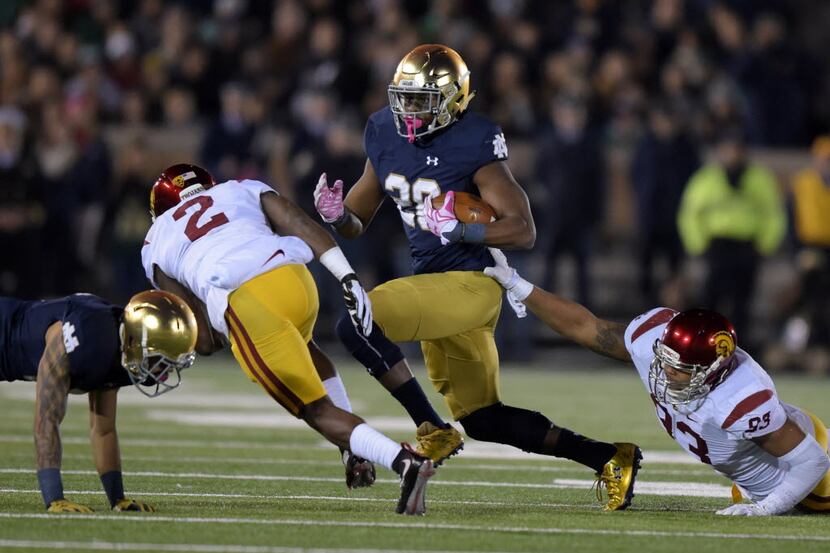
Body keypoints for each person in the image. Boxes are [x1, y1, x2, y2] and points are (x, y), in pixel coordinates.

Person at [314, 44, 641, 511]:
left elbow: (524, 229)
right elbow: (358, 217)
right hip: (432, 285)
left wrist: (464, 228)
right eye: (404, 98)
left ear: (453, 100)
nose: (409, 110)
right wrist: (336, 216)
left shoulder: (475, 141)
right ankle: (609, 457)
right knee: (485, 419)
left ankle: (431, 428)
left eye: (423, 100)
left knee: (356, 320)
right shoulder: (383, 132)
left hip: (473, 282)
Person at [140, 163, 435, 515]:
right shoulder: (239, 187)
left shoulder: (157, 237)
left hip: (247, 297)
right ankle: (352, 449)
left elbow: (202, 338)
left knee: (316, 411)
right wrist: (347, 276)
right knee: (307, 348)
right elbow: (297, 221)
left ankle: (403, 462)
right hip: (296, 279)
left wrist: (201, 336)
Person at [485, 249, 830, 515]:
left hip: (811, 479)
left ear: (713, 370)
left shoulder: (742, 397)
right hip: (755, 476)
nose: (664, 372)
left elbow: (812, 462)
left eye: (679, 368)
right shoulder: (655, 338)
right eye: (664, 360)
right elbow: (587, 328)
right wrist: (517, 284)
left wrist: (766, 507)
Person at [0, 289, 198, 513]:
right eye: (162, 362)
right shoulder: (85, 336)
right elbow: (46, 418)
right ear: (137, 342)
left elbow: (102, 429)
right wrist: (54, 498)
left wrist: (118, 499)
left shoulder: (116, 350)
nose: (165, 373)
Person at [677, 127, 786, 338]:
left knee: (742, 302)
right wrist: (698, 245)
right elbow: (690, 214)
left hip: (747, 246)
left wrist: (765, 246)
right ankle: (705, 345)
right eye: (728, 149)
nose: (732, 155)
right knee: (711, 300)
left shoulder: (759, 180)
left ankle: (738, 348)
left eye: (736, 149)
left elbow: (774, 215)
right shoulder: (706, 179)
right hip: (717, 246)